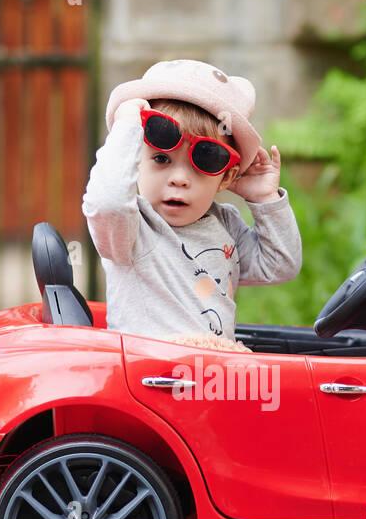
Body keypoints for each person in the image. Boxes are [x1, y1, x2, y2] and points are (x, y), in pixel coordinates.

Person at [82, 59, 302, 352]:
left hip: (210, 378)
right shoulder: (131, 228)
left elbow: (281, 266)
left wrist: (264, 198)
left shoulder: (226, 225)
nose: (179, 179)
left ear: (226, 177)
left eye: (204, 163)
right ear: (135, 159)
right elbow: (107, 202)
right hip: (149, 377)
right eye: (161, 159)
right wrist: (127, 127)